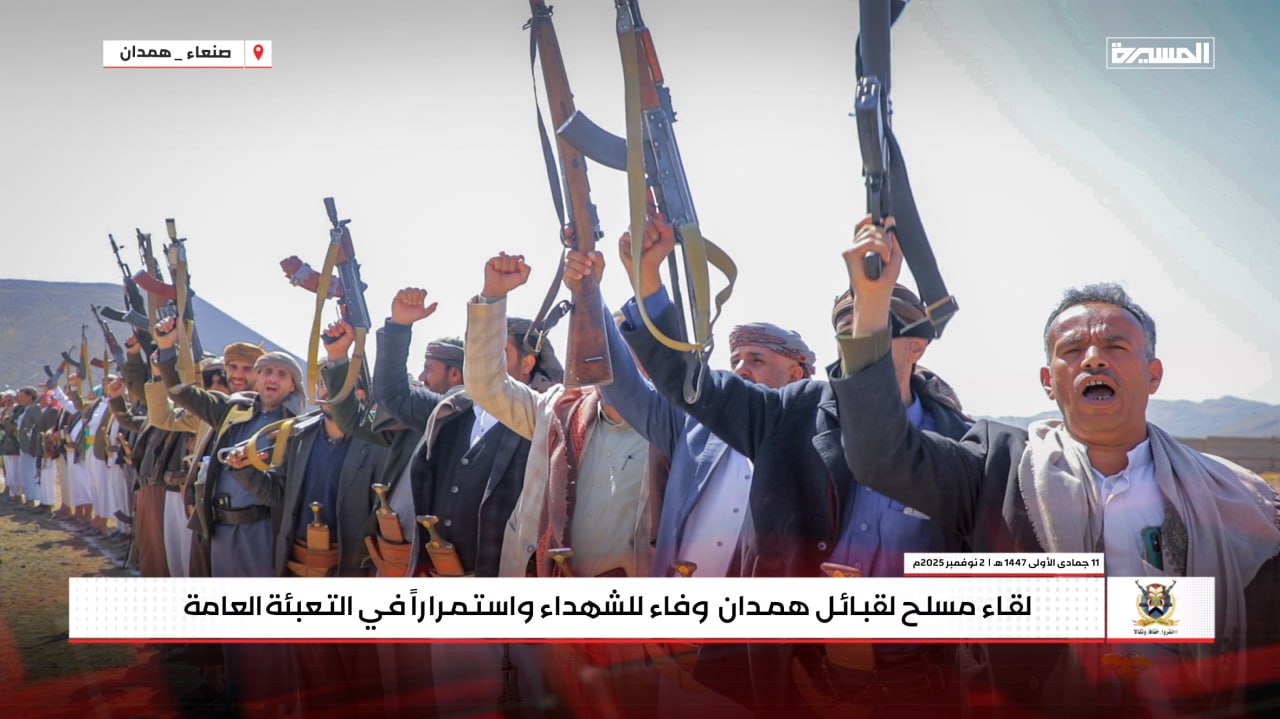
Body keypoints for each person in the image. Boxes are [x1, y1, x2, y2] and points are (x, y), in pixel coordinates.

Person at [833, 219, 1280, 715]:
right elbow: (881, 457)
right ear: (1048, 380)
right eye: (1072, 350)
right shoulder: (997, 467)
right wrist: (871, 310)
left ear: (1152, 374)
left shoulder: (1232, 494)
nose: (1092, 359)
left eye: (1115, 346)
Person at [618, 215, 971, 716]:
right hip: (792, 677)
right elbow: (688, 382)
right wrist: (648, 279)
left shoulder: (958, 443)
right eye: (850, 329)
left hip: (912, 683)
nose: (862, 339)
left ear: (919, 345)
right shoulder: (789, 413)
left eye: (879, 326)